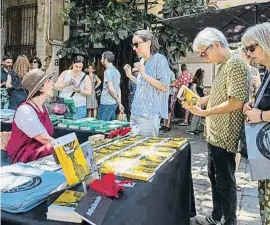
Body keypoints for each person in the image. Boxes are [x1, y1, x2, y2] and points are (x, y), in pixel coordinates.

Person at [182, 27, 249, 225]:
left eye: (204, 52)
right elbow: (220, 94)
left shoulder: (235, 62)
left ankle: (229, 220)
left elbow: (236, 101)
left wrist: (204, 113)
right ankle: (217, 215)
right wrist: (200, 101)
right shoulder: (224, 63)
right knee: (214, 176)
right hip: (215, 133)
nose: (204, 58)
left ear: (217, 45)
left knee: (225, 181)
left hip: (225, 134)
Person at [242, 22, 270, 225]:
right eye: (246, 49)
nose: (249, 53)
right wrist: (254, 106)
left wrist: (260, 116)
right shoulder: (267, 72)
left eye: (252, 48)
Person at [124, 30, 171, 137]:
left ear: (148, 43)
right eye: (133, 45)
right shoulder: (142, 61)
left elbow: (164, 86)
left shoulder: (160, 60)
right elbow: (143, 84)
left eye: (136, 44)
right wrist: (130, 76)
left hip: (148, 115)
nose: (134, 48)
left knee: (146, 150)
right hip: (135, 113)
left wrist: (144, 74)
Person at [6, 69, 55, 163]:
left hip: (41, 156)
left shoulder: (43, 107)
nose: (53, 83)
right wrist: (68, 148)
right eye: (49, 81)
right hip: (24, 158)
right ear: (40, 88)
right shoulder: (25, 110)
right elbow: (44, 139)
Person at [55, 55, 91, 120]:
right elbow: (56, 87)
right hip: (64, 106)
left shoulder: (86, 77)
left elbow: (89, 92)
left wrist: (79, 91)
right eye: (76, 66)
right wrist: (65, 84)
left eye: (80, 67)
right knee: (62, 126)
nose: (78, 69)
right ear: (73, 64)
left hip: (79, 106)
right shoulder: (65, 73)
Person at [98, 51, 124, 121]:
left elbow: (111, 89)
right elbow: (118, 89)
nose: (101, 60)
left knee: (102, 127)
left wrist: (118, 101)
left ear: (105, 60)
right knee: (111, 128)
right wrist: (119, 103)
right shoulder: (117, 71)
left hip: (106, 104)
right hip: (113, 104)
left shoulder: (107, 71)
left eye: (102, 58)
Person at [189, 68, 205, 135]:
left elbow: (201, 90)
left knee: (198, 114)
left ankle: (196, 128)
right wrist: (198, 97)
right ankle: (193, 129)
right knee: (196, 114)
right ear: (200, 74)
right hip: (196, 99)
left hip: (200, 99)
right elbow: (194, 90)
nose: (204, 75)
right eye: (203, 74)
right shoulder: (195, 81)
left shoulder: (200, 81)